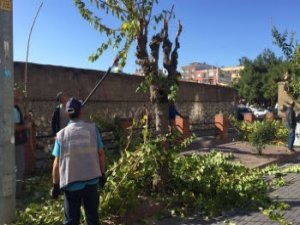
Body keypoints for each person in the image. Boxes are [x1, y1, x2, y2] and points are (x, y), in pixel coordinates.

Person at [51, 97, 106, 225]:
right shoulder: (93, 130)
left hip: (71, 183)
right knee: (92, 217)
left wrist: (55, 184)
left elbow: (56, 162)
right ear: (81, 112)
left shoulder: (61, 135)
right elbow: (101, 154)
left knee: (71, 220)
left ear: (68, 113)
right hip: (92, 180)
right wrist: (103, 173)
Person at [14, 90, 31, 197]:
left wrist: (25, 118)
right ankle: (17, 192)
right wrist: (26, 126)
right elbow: (14, 127)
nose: (20, 95)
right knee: (19, 166)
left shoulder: (17, 108)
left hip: (16, 142)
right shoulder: (13, 109)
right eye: (18, 94)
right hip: (16, 142)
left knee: (18, 166)